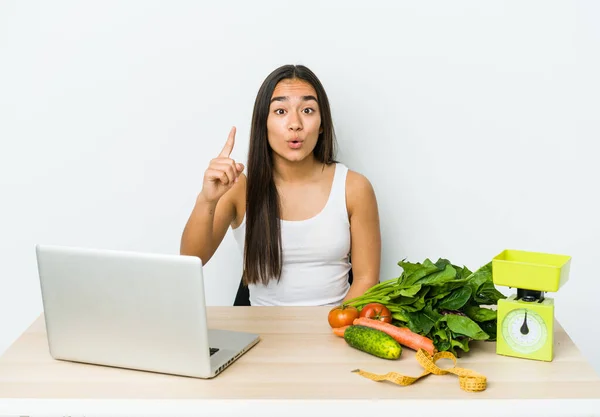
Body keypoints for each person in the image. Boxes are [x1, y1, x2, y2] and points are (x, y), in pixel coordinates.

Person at [180, 64, 381, 306]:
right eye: (280, 111)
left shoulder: (354, 188)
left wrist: (332, 330)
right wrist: (207, 199)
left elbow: (366, 280)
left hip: (333, 333)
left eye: (307, 110)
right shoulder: (238, 187)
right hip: (260, 337)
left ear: (322, 124)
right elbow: (192, 259)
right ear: (262, 123)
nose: (295, 124)